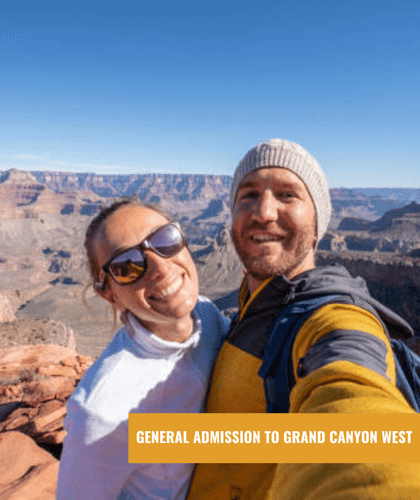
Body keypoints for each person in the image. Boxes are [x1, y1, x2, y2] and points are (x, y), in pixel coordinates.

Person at [186, 138, 420, 499]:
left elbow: (355, 405)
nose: (263, 211)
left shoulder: (333, 318)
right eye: (247, 195)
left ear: (318, 220)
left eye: (287, 195)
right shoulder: (251, 310)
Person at [56, 199, 229, 500]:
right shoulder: (103, 411)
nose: (160, 268)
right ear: (108, 292)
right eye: (127, 266)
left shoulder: (208, 315)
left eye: (165, 240)